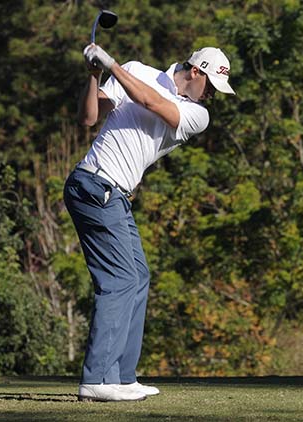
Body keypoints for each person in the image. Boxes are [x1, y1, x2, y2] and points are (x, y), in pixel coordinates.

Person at [63, 43, 235, 402]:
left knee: (138, 276)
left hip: (115, 196)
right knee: (121, 280)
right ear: (196, 72)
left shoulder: (196, 115)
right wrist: (95, 74)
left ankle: (122, 377)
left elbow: (151, 104)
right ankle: (96, 379)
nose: (212, 98)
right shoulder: (137, 70)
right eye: (211, 89)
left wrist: (109, 64)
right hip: (94, 186)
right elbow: (88, 118)